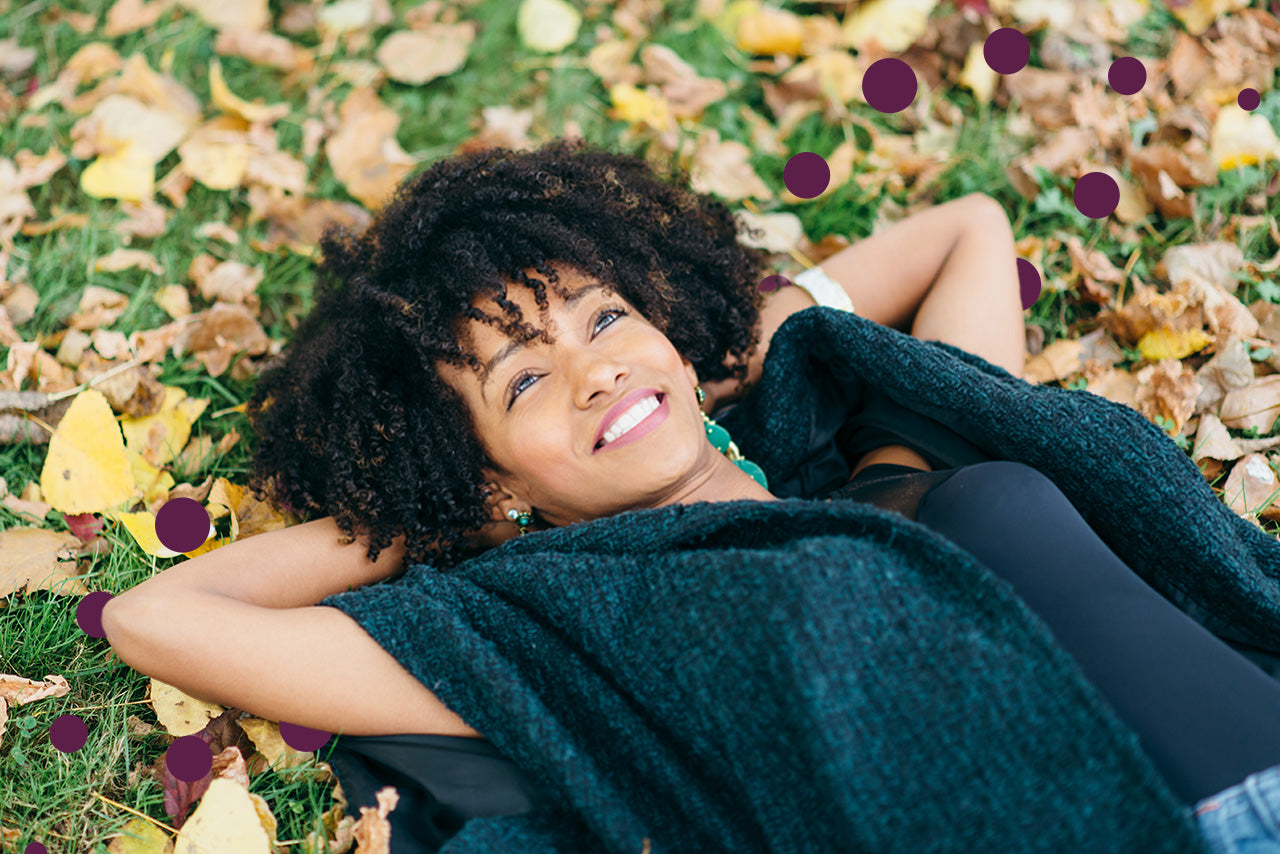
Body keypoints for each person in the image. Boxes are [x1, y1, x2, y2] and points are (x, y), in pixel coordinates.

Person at [103, 138, 1280, 853]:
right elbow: (155, 618)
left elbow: (963, 230)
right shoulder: (535, 626)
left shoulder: (866, 429)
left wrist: (706, 350)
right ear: (489, 473)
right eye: (524, 380)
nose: (590, 366)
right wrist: (449, 507)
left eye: (602, 315)